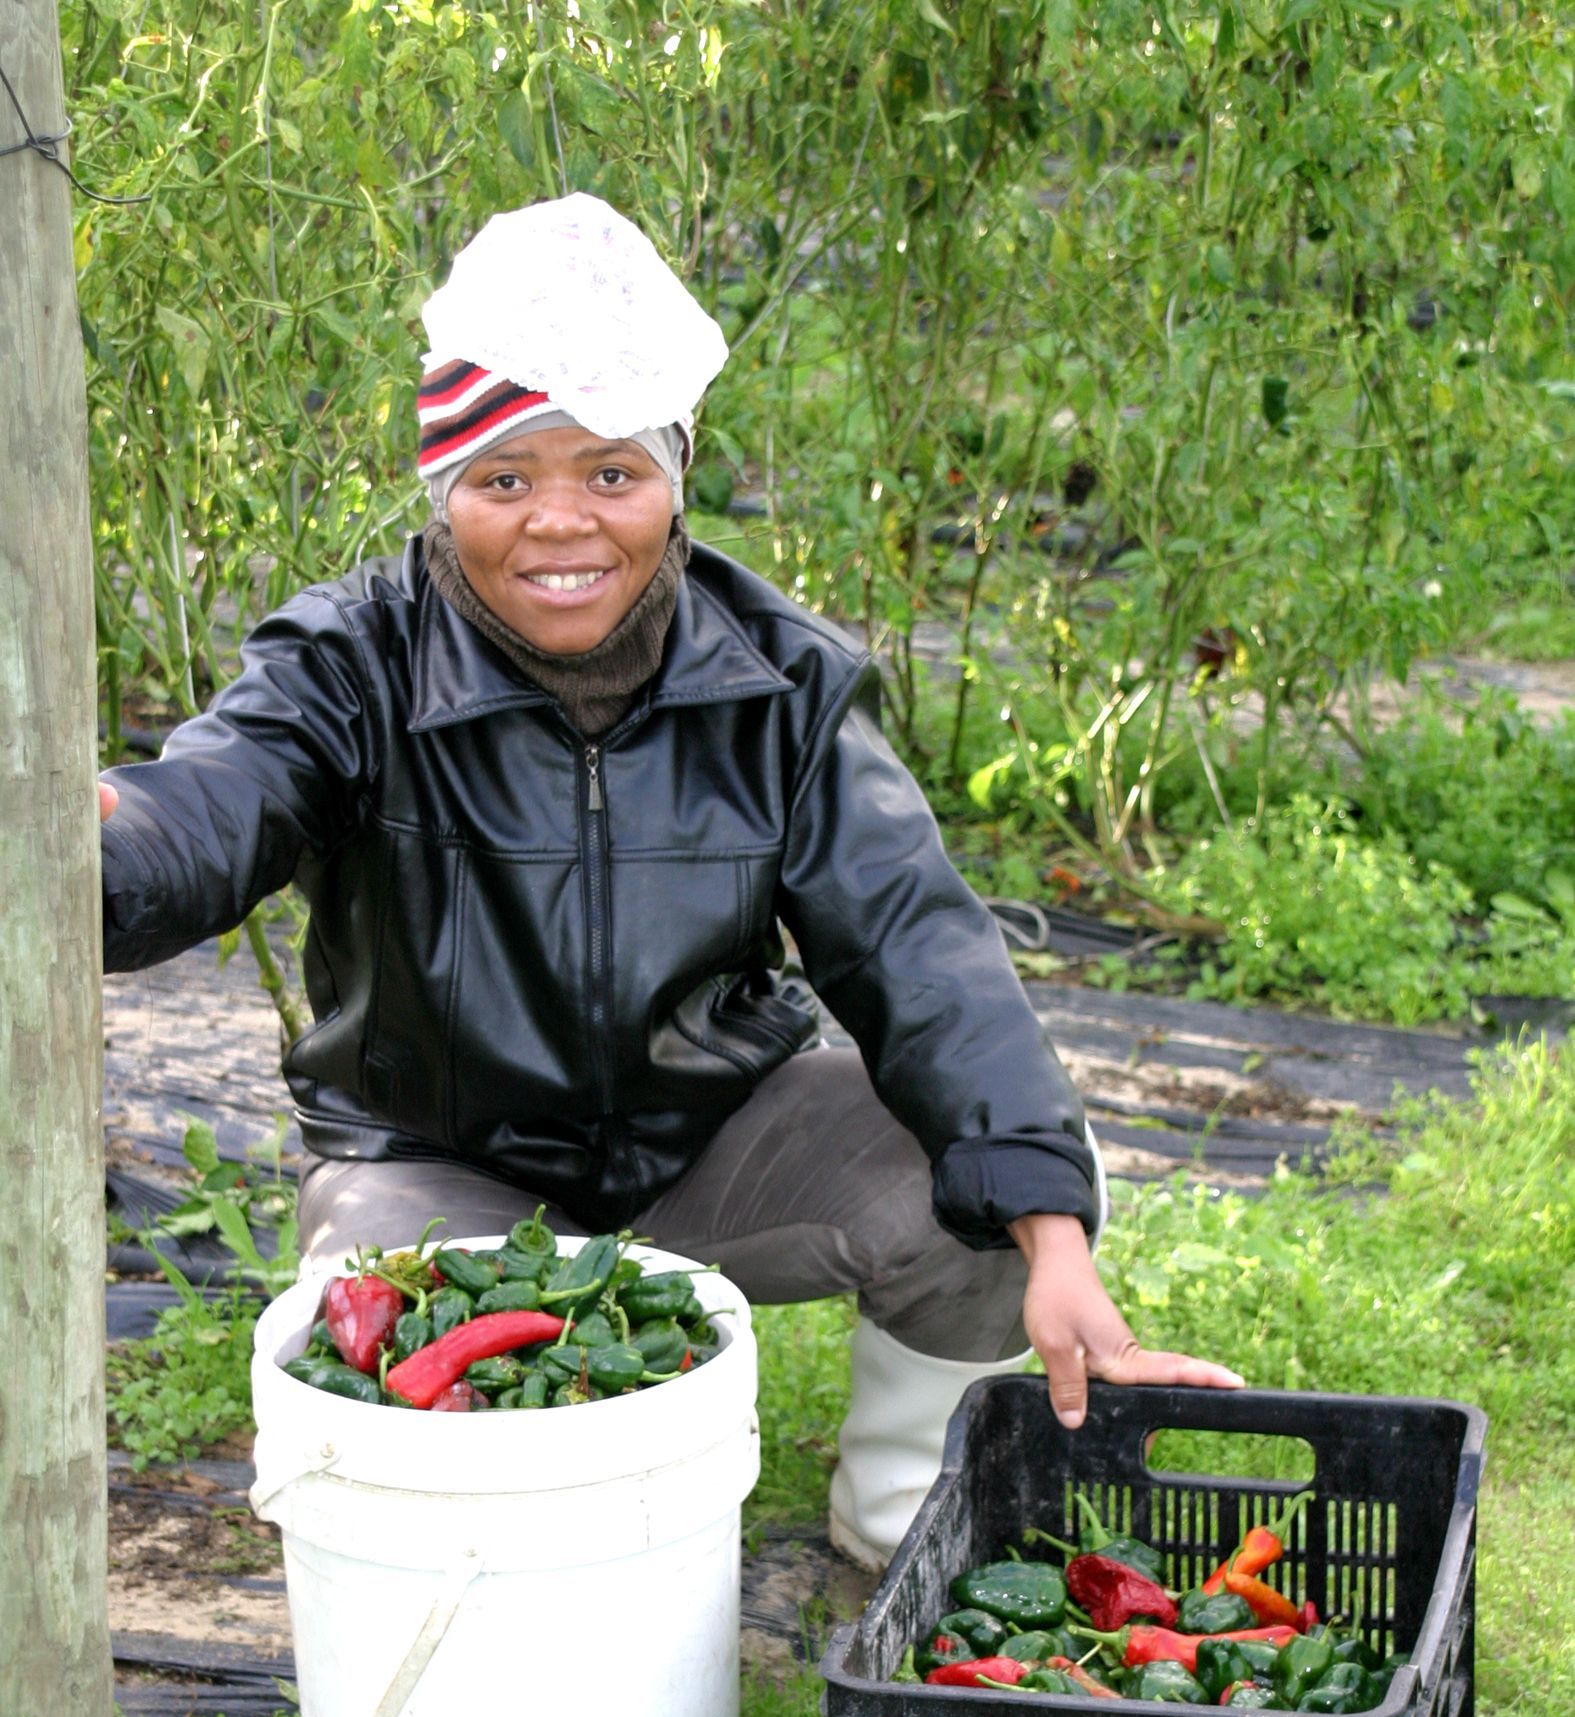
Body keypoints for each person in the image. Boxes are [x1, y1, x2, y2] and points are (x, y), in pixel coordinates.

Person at [99, 194, 1241, 1567]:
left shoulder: (780, 682)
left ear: (677, 476)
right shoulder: (354, 663)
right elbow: (210, 807)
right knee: (394, 1346)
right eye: (505, 479)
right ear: (441, 487)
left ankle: (905, 1519)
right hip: (441, 1161)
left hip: (711, 1137)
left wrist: (1051, 1226)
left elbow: (917, 945)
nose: (560, 526)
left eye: (612, 475)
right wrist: (96, 839)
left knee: (995, 1168)